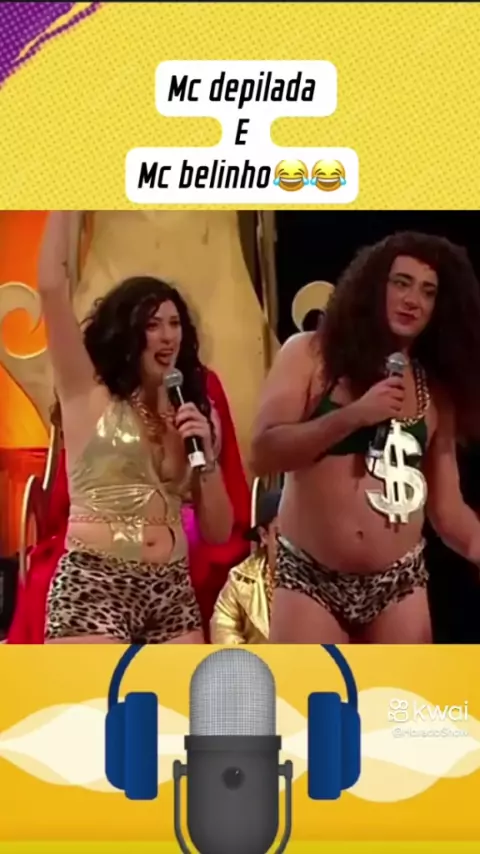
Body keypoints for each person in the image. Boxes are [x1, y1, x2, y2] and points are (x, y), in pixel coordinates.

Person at [251, 231, 480, 644]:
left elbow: (447, 510)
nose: (413, 300)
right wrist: (354, 416)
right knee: (312, 688)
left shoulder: (436, 389)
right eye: (401, 283)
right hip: (310, 579)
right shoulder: (309, 353)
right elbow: (264, 454)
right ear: (373, 286)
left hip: (399, 583)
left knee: (403, 689)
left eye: (428, 292)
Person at [38, 211, 233, 644]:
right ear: (127, 333)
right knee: (93, 693)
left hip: (171, 593)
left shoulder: (193, 412)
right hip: (96, 583)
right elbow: (51, 284)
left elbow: (218, 532)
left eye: (175, 324)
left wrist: (207, 461)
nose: (168, 337)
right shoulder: (87, 391)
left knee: (186, 691)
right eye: (152, 325)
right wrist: (61, 194)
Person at [7, 369, 251, 643]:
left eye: (174, 330)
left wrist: (205, 459)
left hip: (173, 564)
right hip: (102, 554)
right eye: (154, 331)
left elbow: (219, 527)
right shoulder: (96, 388)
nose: (168, 344)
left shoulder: (196, 386)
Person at [210, 488, 281, 644]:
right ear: (264, 535)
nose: (289, 544)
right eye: (280, 535)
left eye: (293, 535)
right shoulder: (240, 580)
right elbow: (223, 626)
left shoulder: (318, 578)